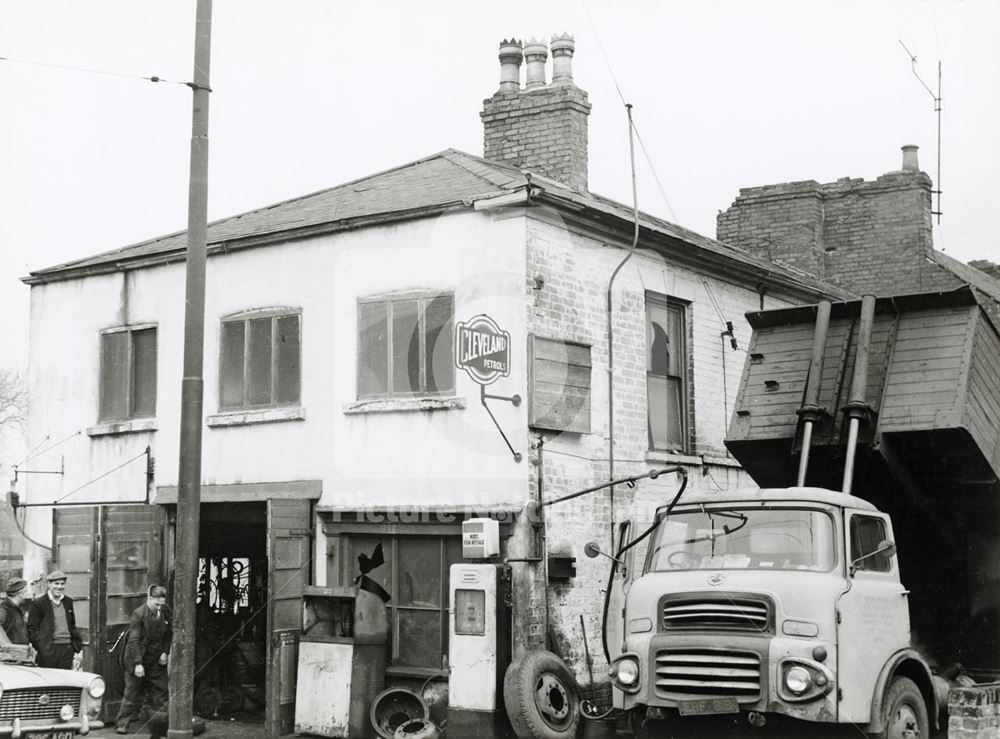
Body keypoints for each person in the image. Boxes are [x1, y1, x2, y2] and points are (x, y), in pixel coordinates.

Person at [116, 585, 172, 735]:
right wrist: (138, 664)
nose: (159, 607)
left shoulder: (165, 610)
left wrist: (165, 652)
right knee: (131, 693)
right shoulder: (139, 614)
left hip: (156, 659)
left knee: (161, 692)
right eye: (157, 604)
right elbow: (133, 640)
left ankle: (161, 725)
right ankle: (122, 724)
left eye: (162, 604)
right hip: (138, 657)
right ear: (150, 598)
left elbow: (169, 634)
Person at [26, 570, 82, 669]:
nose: (59, 587)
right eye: (56, 584)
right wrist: (41, 649)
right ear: (49, 584)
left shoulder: (68, 601)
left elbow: (72, 625)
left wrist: (76, 648)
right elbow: (32, 629)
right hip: (48, 649)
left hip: (67, 648)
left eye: (62, 584)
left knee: (66, 679)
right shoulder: (39, 603)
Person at [0, 577, 30, 644]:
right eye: (26, 591)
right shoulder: (5, 609)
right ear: (20, 593)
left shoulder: (16, 608)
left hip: (21, 653)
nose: (27, 594)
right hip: (12, 653)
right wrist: (9, 647)